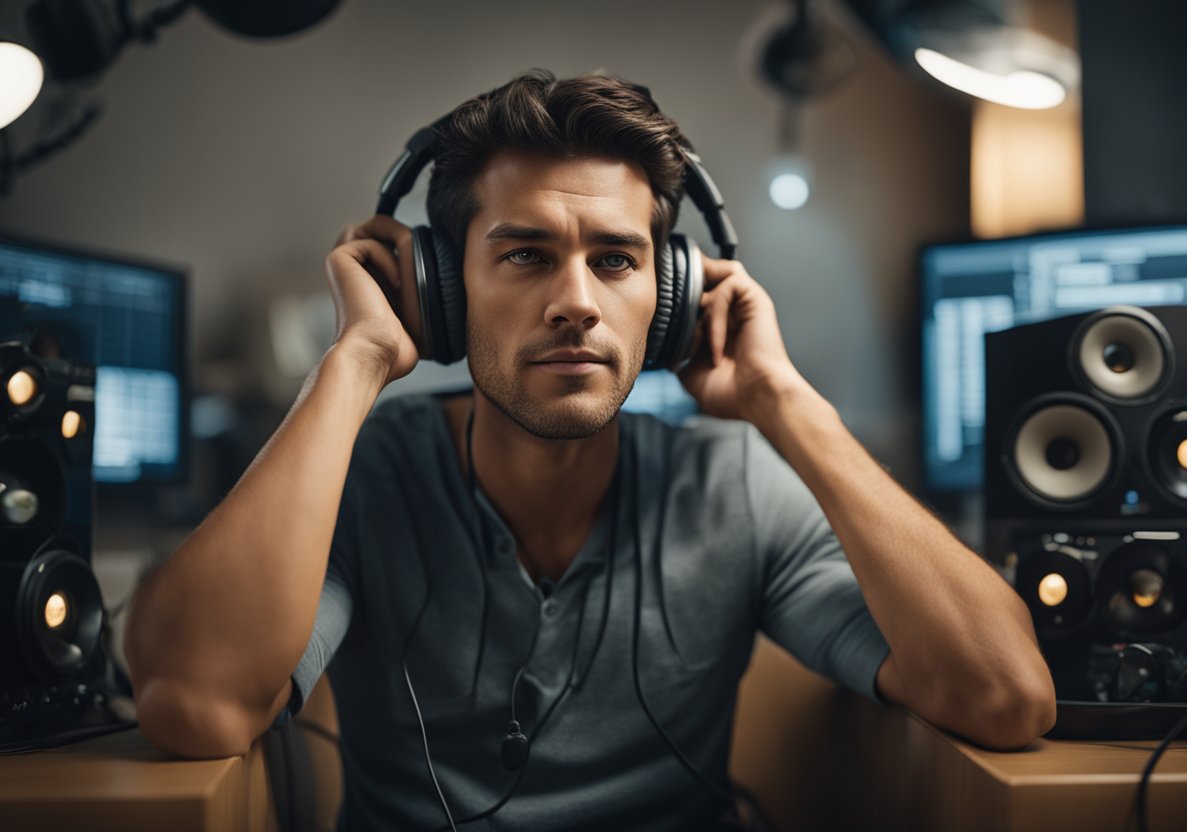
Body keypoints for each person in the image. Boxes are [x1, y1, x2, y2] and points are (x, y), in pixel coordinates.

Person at [123, 70, 1055, 831]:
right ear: (436, 291)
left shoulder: (734, 488)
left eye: (616, 259)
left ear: (673, 301)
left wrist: (784, 403)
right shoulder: (360, 481)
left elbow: (1004, 698)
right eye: (524, 255)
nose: (577, 299)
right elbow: (196, 704)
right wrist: (357, 359)